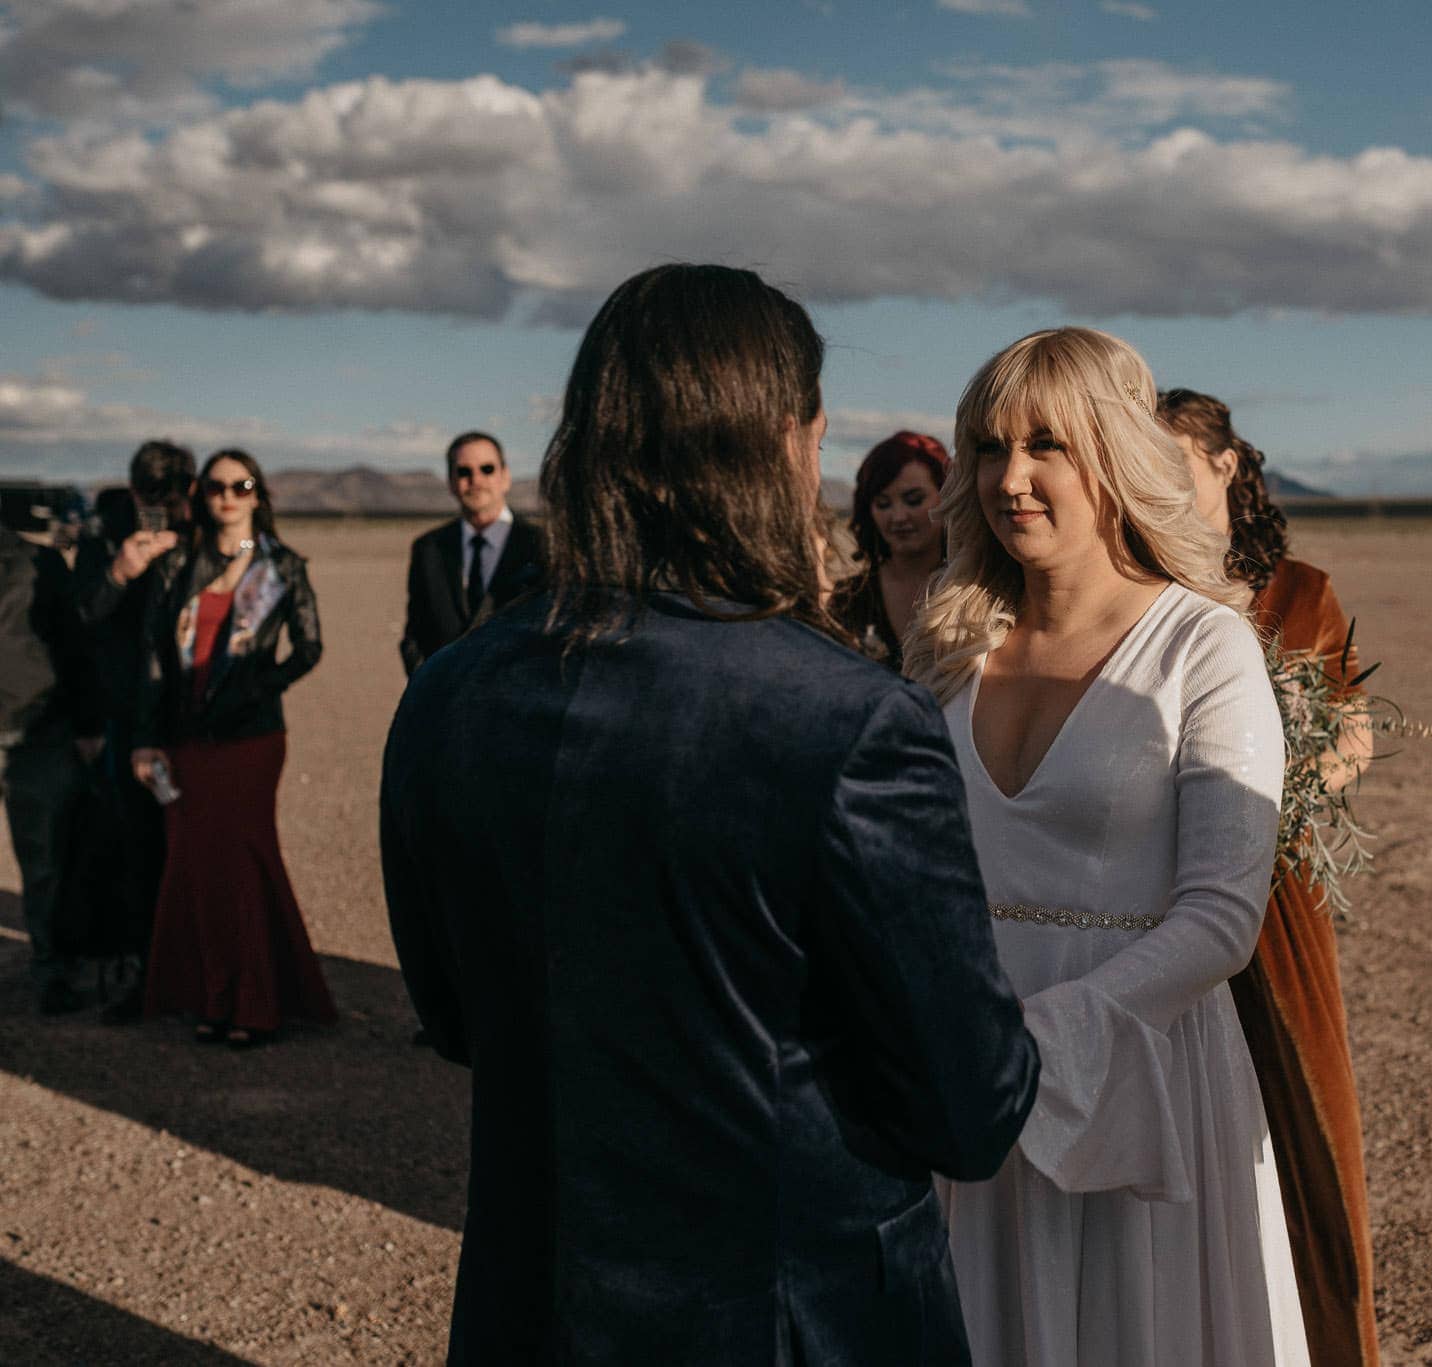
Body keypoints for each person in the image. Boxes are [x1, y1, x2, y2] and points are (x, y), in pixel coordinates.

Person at [380, 263, 1040, 1365]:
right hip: (791, 1317)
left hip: (532, 1306)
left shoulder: (446, 694)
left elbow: (453, 1016)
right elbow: (968, 1107)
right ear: (786, 442)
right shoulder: (847, 720)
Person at [905, 328, 1309, 1365]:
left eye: (1048, 444)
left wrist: (1044, 1037)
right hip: (966, 1067)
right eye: (989, 448)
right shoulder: (952, 646)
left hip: (1139, 1060)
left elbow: (1221, 915)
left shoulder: (1200, 643)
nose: (1011, 478)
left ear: (1115, 457)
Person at [1160, 386, 1381, 1366]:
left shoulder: (1300, 591)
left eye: (1176, 461)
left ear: (1225, 464)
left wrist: (1284, 780)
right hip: (1152, 888)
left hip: (1277, 894)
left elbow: (1354, 729)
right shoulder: (1136, 587)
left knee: (1298, 1123)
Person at [133, 449, 333, 1049]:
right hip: (187, 740)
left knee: (244, 863)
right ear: (203, 495)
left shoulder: (282, 567)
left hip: (251, 740)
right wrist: (145, 739)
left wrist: (257, 684)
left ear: (257, 494)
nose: (228, 495)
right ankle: (213, 996)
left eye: (240, 485)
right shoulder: (177, 567)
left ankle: (257, 1003)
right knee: (195, 867)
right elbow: (153, 662)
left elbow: (309, 646)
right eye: (216, 486)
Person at [73, 440, 194, 1021]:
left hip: (195, 715)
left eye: (167, 495)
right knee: (135, 848)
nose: (157, 506)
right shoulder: (108, 529)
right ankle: (142, 969)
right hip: (128, 714)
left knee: (197, 845)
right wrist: (122, 571)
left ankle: (198, 970)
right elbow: (83, 615)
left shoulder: (205, 530)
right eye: (148, 494)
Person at [1, 520, 96, 1014]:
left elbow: (73, 648)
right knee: (45, 864)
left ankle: (52, 968)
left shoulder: (40, 566)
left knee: (46, 862)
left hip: (37, 732)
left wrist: (86, 726)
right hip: (35, 731)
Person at [398, 431, 545, 675]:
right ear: (451, 482)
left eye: (487, 469)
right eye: (464, 472)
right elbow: (416, 634)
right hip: (445, 704)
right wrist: (428, 691)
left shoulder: (543, 546)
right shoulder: (429, 549)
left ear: (505, 477)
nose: (475, 480)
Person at [828, 430, 949, 670]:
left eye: (913, 499)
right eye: (883, 504)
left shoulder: (978, 588)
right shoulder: (847, 600)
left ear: (947, 496)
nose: (898, 517)